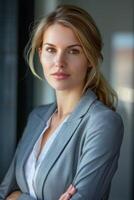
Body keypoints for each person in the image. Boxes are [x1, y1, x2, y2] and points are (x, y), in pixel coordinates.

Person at [0, 4, 124, 200]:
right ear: (40, 54)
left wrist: (19, 197)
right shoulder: (37, 116)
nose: (59, 61)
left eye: (73, 51)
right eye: (51, 49)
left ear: (90, 58)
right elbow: (5, 192)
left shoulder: (102, 122)